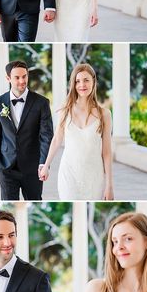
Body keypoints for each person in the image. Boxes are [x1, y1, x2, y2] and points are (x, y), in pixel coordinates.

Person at [39, 63, 113, 200]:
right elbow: (56, 140)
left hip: (94, 176)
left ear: (93, 81)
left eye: (86, 80)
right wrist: (46, 165)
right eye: (77, 81)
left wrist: (109, 185)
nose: (82, 85)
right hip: (68, 174)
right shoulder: (65, 111)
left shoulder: (105, 114)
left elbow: (107, 151)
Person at [0, 60, 53, 200]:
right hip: (6, 167)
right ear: (8, 78)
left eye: (24, 76)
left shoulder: (42, 103)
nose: (22, 81)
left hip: (33, 167)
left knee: (35, 201)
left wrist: (44, 163)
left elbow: (46, 136)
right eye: (17, 77)